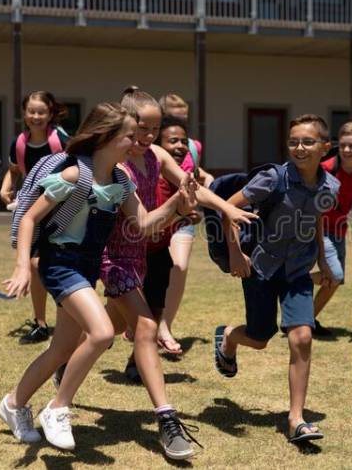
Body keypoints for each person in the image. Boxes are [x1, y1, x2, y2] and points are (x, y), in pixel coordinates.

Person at [0, 102, 197, 451]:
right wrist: (20, 266)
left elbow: (146, 224)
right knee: (102, 332)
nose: (137, 143)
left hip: (86, 267)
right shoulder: (75, 175)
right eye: (129, 137)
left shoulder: (120, 181)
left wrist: (177, 203)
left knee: (61, 348)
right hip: (60, 264)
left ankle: (13, 404)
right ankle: (58, 408)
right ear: (105, 138)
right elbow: (29, 217)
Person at [98, 89, 255, 459]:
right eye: (142, 128)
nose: (149, 136)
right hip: (112, 257)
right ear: (125, 121)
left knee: (101, 328)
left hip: (141, 254)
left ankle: (63, 370)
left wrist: (225, 210)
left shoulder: (156, 155)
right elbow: (144, 223)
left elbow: (193, 187)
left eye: (155, 128)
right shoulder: (116, 165)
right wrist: (174, 206)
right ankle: (168, 419)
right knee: (145, 328)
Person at [214, 114, 340, 443]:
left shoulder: (331, 186)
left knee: (302, 337)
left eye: (308, 142)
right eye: (294, 141)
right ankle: (228, 337)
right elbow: (229, 207)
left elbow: (315, 221)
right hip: (260, 268)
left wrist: (324, 261)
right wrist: (235, 254)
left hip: (298, 271)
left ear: (325, 147)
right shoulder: (272, 178)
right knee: (259, 338)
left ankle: (296, 418)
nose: (299, 147)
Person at [0, 91, 69, 344]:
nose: (36, 116)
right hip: (31, 209)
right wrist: (5, 186)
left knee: (51, 264)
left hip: (60, 209)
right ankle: (41, 323)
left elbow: (77, 166)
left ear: (51, 114)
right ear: (24, 114)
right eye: (31, 111)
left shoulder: (60, 139)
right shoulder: (19, 142)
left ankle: (75, 319)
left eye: (42, 112)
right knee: (33, 264)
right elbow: (14, 170)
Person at [156, 93, 213, 352]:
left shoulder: (194, 146)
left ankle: (164, 326)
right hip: (155, 215)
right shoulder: (152, 147)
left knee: (179, 267)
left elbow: (195, 171)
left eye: (184, 118)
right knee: (152, 274)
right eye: (174, 116)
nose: (180, 122)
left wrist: (208, 180)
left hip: (185, 216)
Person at [311, 121, 352, 336]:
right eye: (343, 145)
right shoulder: (326, 169)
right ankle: (295, 279)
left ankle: (307, 320)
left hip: (339, 231)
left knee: (334, 280)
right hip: (318, 228)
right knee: (334, 275)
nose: (346, 150)